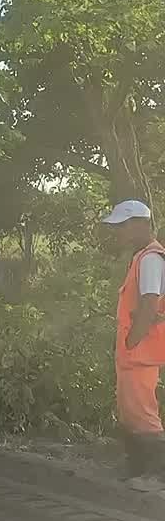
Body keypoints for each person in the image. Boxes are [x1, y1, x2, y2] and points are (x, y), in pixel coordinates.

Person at [102, 199, 165, 491]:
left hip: (140, 352)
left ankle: (155, 475)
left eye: (122, 226)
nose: (118, 233)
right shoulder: (142, 257)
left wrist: (132, 341)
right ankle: (138, 468)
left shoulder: (151, 258)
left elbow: (150, 303)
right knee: (131, 410)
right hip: (133, 352)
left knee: (142, 413)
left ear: (141, 224)